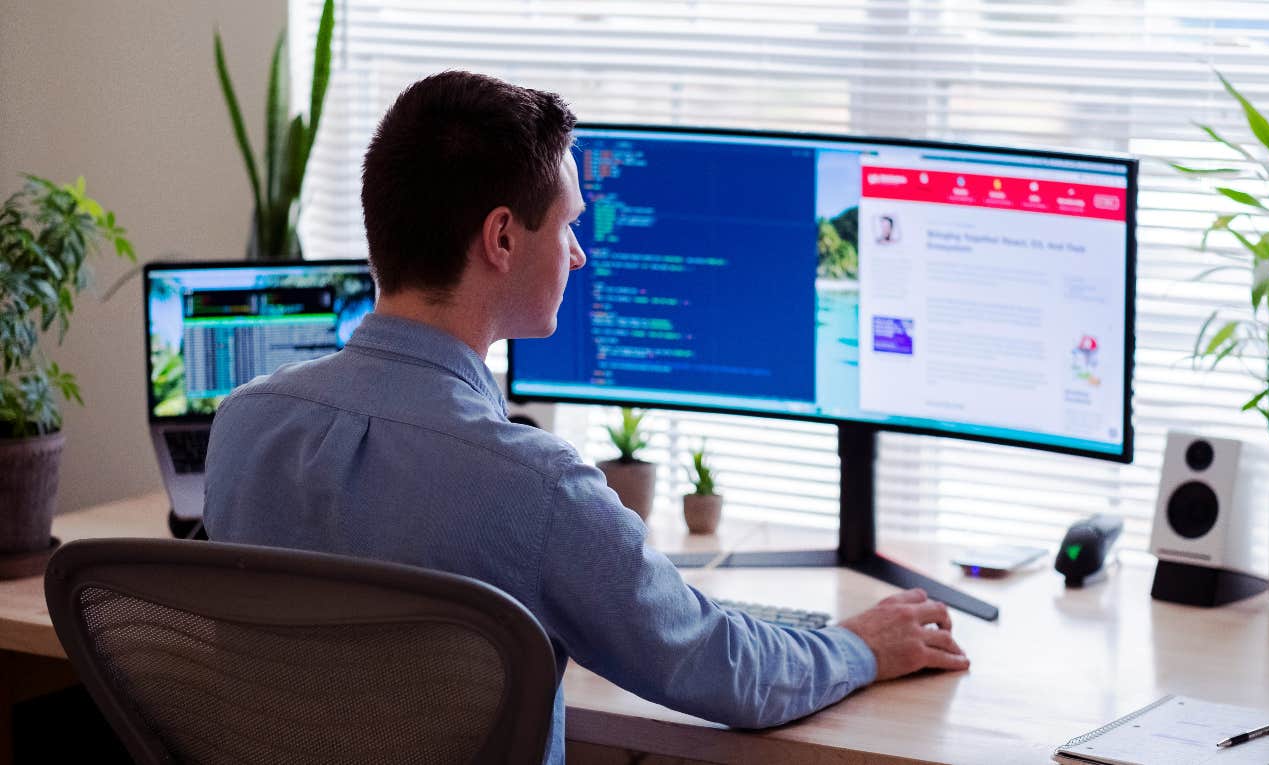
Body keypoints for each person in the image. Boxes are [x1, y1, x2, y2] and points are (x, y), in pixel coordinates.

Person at [204, 70, 968, 763]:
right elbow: (717, 665)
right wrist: (859, 646)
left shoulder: (242, 426)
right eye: (568, 225)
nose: (578, 256)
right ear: (502, 238)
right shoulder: (533, 486)